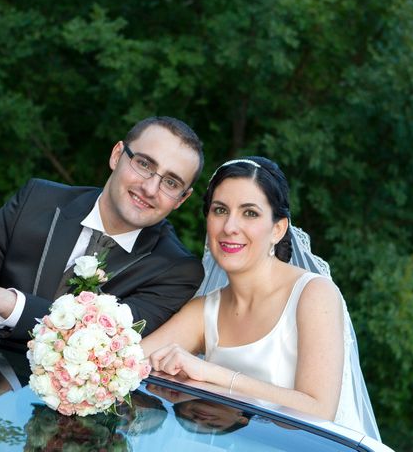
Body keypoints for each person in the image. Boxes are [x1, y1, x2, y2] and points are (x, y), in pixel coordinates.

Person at [142, 157, 381, 441]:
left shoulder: (313, 295)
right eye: (220, 210)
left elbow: (318, 410)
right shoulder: (205, 310)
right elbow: (127, 362)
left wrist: (208, 372)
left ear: (278, 229)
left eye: (250, 213)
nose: (230, 226)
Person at [0, 116, 205, 340]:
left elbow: (107, 340)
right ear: (117, 155)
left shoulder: (176, 270)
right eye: (144, 164)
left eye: (170, 182)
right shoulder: (37, 200)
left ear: (182, 199)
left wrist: (7, 302)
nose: (150, 188)